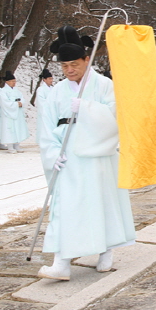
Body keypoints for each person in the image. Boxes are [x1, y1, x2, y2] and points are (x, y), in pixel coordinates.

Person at [37, 25, 135, 280]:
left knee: (102, 204)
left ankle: (105, 252)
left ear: (85, 59)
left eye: (74, 64)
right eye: (64, 66)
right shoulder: (56, 92)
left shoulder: (104, 85)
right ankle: (62, 262)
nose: (69, 70)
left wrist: (89, 108)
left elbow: (117, 117)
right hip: (68, 158)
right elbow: (45, 127)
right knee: (65, 207)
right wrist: (52, 153)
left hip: (98, 157)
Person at [0, 71, 29, 153]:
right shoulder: (3, 91)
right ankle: (10, 146)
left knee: (18, 128)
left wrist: (21, 103)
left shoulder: (17, 91)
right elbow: (5, 102)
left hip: (17, 112)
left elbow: (22, 98)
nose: (14, 83)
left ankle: (17, 145)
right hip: (9, 113)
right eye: (12, 81)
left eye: (14, 81)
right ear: (7, 82)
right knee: (10, 129)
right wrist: (15, 104)